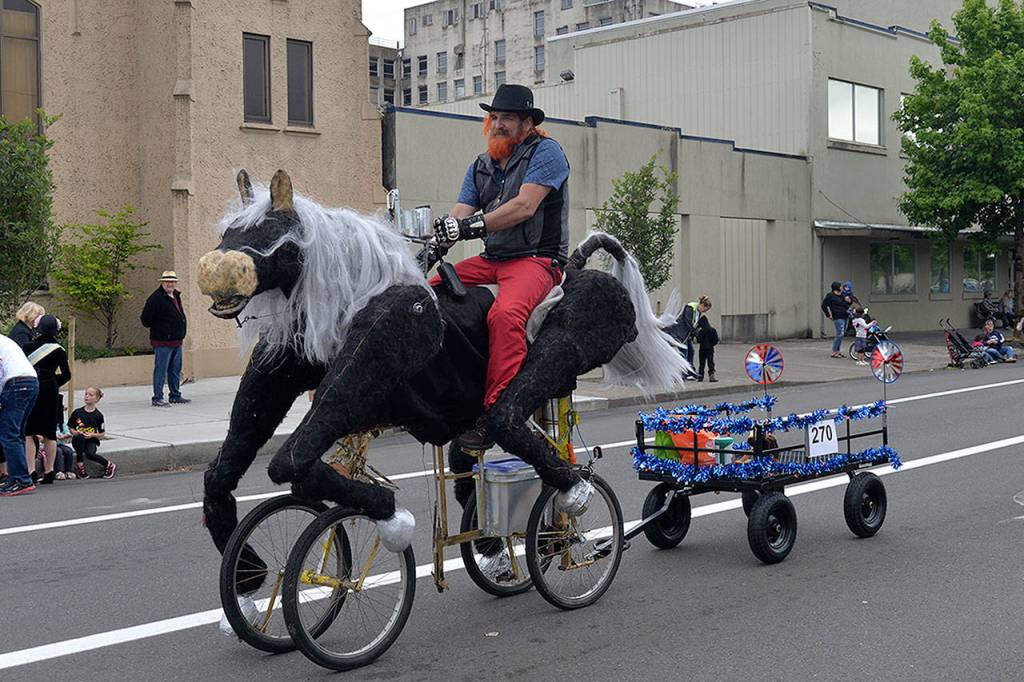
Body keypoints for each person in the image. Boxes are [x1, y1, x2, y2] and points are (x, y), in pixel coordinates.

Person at [430, 84, 570, 451]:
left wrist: (470, 227)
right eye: (494, 117)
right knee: (424, 293)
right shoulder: (481, 165)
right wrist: (435, 246)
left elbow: (524, 207)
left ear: (527, 123)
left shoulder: (547, 152)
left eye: (507, 117)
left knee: (506, 316)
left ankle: (497, 414)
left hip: (536, 259)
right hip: (493, 260)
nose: (498, 124)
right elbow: (459, 214)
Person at [22, 315, 70, 485]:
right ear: (56, 329)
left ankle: (31, 470)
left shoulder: (27, 347)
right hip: (50, 392)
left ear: (37, 327)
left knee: (29, 432)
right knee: (50, 433)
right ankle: (49, 471)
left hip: (32, 389)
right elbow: (66, 375)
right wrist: (53, 383)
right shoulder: (59, 350)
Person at [141, 270, 190, 407]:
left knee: (175, 370)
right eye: (167, 281)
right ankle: (157, 397)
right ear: (162, 282)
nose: (170, 284)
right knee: (161, 370)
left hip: (177, 340)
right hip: (162, 341)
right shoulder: (155, 299)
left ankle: (175, 395)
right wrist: (162, 329)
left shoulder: (176, 295)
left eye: (173, 281)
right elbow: (145, 320)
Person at [0, 334, 40, 496]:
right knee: (16, 435)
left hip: (16, 384)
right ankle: (17, 478)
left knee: (9, 435)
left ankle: (21, 479)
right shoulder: (5, 340)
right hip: (30, 382)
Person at [69, 386, 116, 479]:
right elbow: (71, 427)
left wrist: (92, 435)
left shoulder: (98, 415)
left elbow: (102, 433)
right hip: (78, 440)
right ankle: (80, 465)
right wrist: (75, 433)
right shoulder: (77, 412)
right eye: (86, 394)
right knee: (80, 438)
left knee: (90, 454)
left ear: (97, 399)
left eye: (90, 395)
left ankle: (109, 464)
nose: (87, 396)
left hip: (91, 441)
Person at [666, 295, 712, 379]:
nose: (705, 312)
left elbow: (694, 324)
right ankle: (683, 372)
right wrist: (695, 333)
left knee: (691, 351)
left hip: (686, 335)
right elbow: (687, 322)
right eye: (705, 309)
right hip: (679, 333)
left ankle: (689, 371)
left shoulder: (698, 311)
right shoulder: (690, 308)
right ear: (702, 305)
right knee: (684, 352)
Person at [821, 281, 850, 358]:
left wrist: (849, 301)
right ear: (836, 288)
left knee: (842, 333)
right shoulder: (830, 296)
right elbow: (823, 305)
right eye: (840, 286)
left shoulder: (842, 295)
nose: (841, 288)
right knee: (840, 333)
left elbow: (847, 303)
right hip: (837, 316)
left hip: (845, 315)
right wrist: (828, 315)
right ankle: (834, 351)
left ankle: (838, 350)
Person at [695, 314, 719, 382]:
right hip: (710, 349)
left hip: (702, 349)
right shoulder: (712, 330)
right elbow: (716, 340)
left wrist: (696, 335)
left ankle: (700, 376)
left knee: (702, 364)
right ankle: (712, 377)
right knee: (711, 363)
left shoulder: (701, 331)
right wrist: (711, 344)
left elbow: (699, 340)